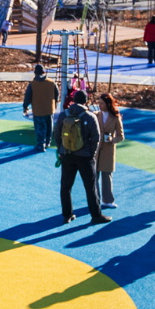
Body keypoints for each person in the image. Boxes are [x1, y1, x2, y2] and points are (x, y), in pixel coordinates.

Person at [52, 94, 110, 224]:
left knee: (66, 187)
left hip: (67, 155)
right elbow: (96, 138)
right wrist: (91, 154)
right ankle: (96, 215)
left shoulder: (63, 115)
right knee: (90, 188)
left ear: (73, 101)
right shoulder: (90, 117)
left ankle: (67, 215)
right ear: (86, 101)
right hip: (85, 157)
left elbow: (57, 134)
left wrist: (61, 150)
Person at [95, 93, 125, 210]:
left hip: (108, 150)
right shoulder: (96, 115)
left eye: (101, 103)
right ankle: (95, 199)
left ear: (108, 104)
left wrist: (112, 140)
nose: (99, 105)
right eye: (99, 103)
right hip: (96, 150)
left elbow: (121, 136)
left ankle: (107, 200)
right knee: (94, 176)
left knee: (106, 177)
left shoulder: (115, 117)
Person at [22, 64, 59, 152]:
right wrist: (55, 103)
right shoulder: (51, 82)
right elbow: (56, 93)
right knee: (49, 127)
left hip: (38, 110)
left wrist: (25, 106)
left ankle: (40, 145)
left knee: (40, 128)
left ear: (35, 73)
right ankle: (47, 142)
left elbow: (28, 97)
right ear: (44, 72)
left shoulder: (33, 84)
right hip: (49, 109)